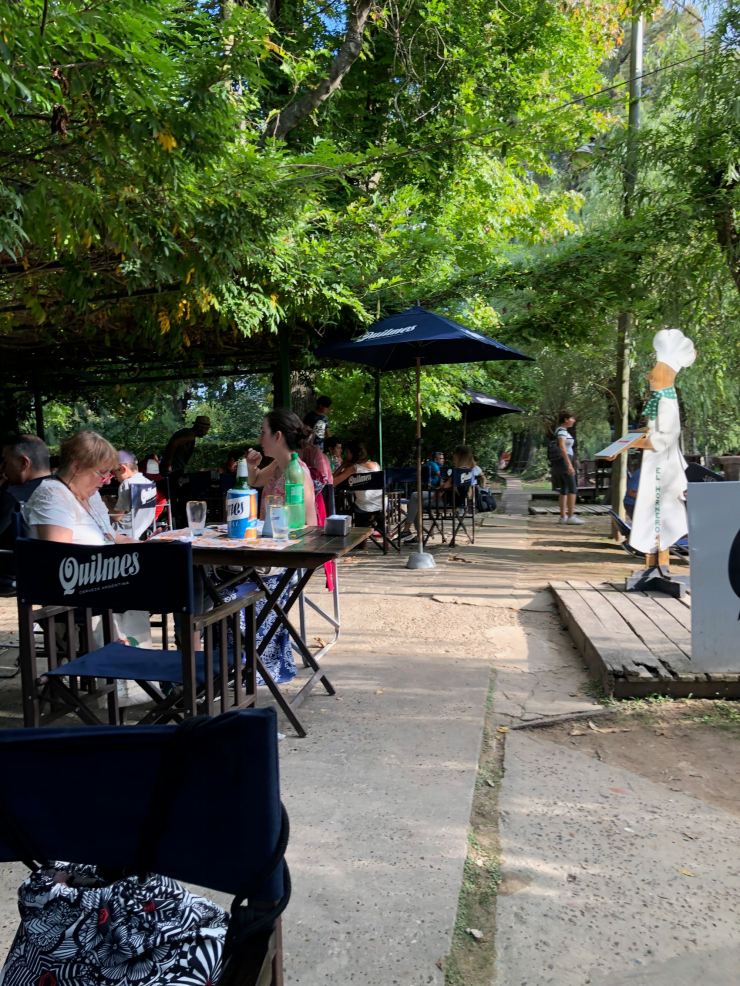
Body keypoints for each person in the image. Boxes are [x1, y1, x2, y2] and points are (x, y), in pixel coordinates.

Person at [237, 411, 318, 685]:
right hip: (263, 553)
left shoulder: (298, 471)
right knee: (218, 579)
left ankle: (253, 663)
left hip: (284, 560)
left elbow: (310, 525)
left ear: (278, 436)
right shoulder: (277, 466)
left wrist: (279, 539)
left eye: (263, 432)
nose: (260, 438)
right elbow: (254, 481)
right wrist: (252, 465)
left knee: (227, 590)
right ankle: (235, 662)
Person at [628, 328, 697, 569]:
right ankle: (653, 560)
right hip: (656, 464)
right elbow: (654, 431)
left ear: (666, 373)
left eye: (655, 371)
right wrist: (636, 438)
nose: (650, 376)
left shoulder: (666, 401)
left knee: (658, 509)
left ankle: (660, 561)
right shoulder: (660, 400)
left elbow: (663, 438)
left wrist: (634, 442)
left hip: (661, 468)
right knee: (651, 508)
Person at [0, 435, 52, 543]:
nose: (2, 468)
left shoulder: (12, 497)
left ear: (24, 463)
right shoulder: (68, 491)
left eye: (5, 462)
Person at [333, 440, 382, 527]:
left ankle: (354, 531)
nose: (346, 455)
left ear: (353, 454)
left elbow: (332, 482)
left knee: (344, 509)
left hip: (364, 508)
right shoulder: (376, 465)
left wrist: (343, 465)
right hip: (381, 505)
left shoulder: (354, 468)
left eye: (347, 452)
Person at [110, 450, 157, 540]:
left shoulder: (127, 483)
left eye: (114, 473)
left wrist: (105, 502)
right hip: (139, 530)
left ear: (123, 469)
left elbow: (117, 517)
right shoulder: (148, 482)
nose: (114, 477)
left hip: (122, 532)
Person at [552, 412, 584, 525]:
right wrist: (569, 464)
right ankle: (571, 516)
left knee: (564, 489)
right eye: (572, 418)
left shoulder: (561, 430)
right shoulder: (562, 431)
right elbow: (562, 447)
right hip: (565, 461)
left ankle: (563, 517)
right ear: (566, 419)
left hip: (562, 462)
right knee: (572, 488)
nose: (574, 420)